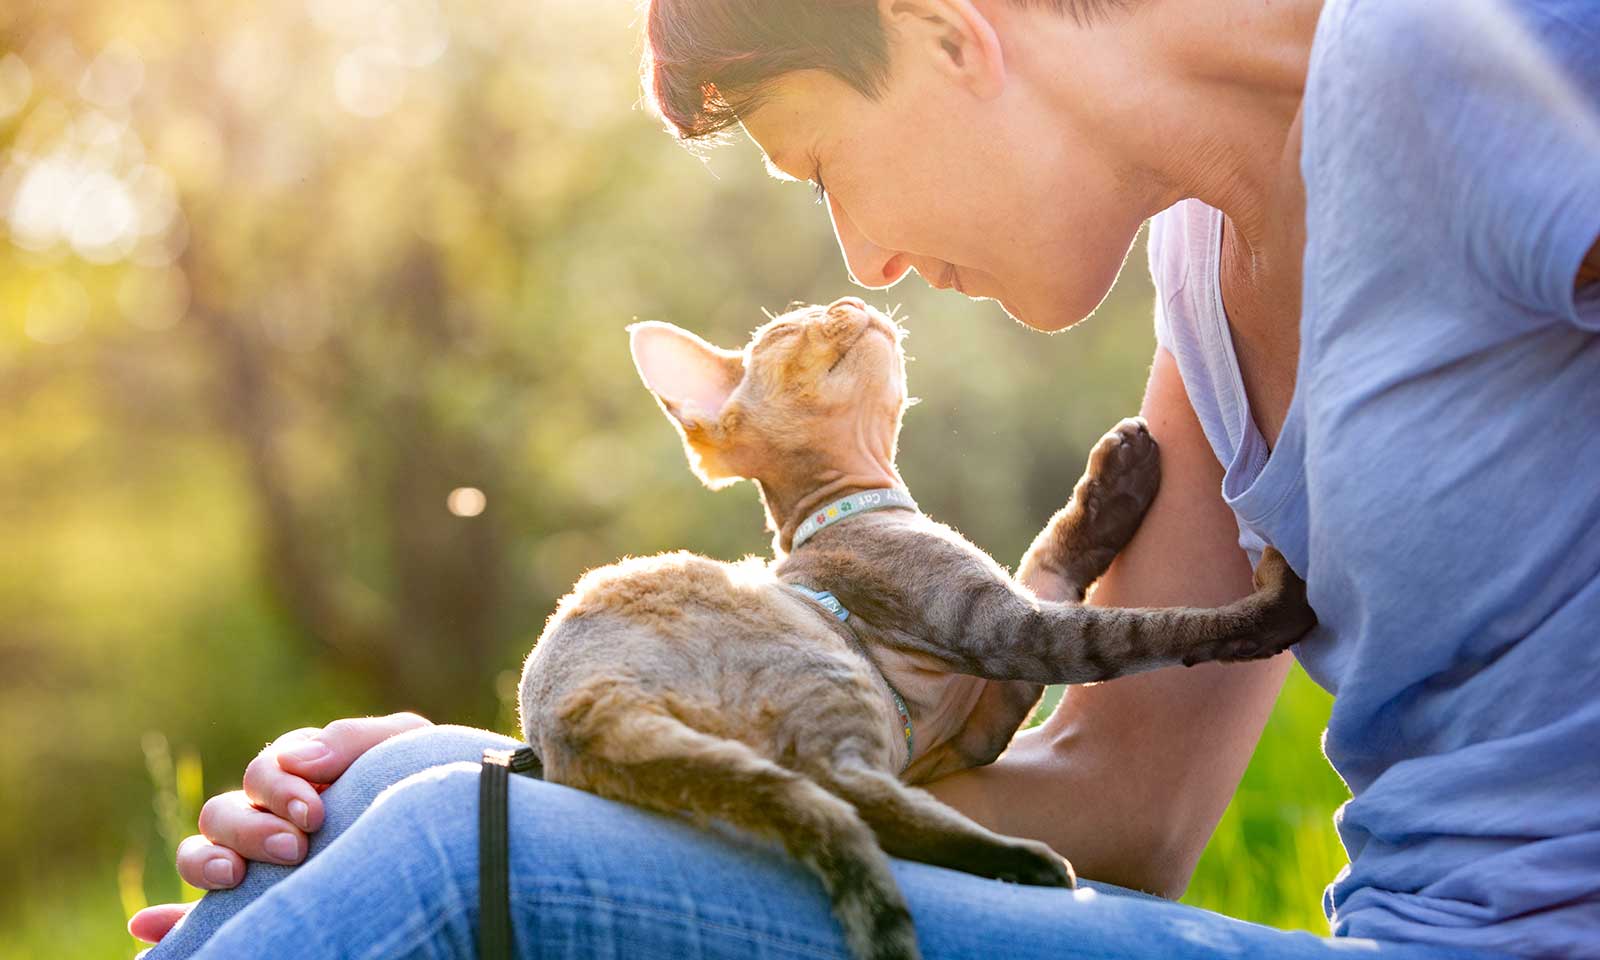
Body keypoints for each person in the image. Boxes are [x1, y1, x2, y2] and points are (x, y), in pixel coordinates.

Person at [132, 0, 1600, 956]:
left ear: (949, 31)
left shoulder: (1458, 57)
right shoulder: (1206, 280)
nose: (868, 264)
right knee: (408, 793)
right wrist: (559, 772)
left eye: (823, 167)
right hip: (1397, 928)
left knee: (452, 865)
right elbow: (1120, 805)